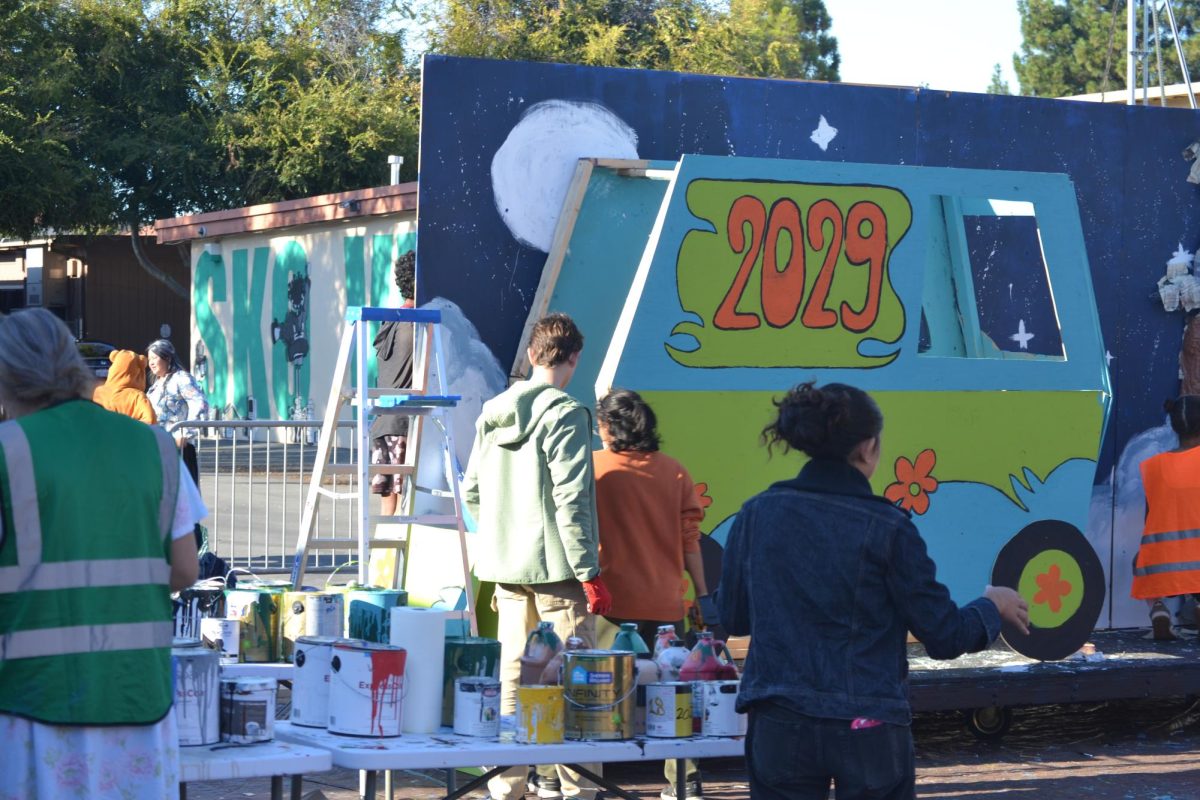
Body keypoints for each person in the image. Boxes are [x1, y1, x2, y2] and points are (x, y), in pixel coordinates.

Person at [717, 381, 1029, 800]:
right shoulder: (890, 527)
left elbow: (732, 617)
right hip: (869, 725)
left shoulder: (755, 515)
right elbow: (943, 634)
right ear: (867, 448)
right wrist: (993, 606)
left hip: (780, 721)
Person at [0, 308, 203, 799]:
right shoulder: (155, 446)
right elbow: (185, 568)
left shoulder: (8, 450)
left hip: (33, 708)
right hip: (138, 702)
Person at [463, 312, 612, 800]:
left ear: (531, 355)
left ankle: (506, 786)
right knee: (575, 677)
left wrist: (500, 538)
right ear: (573, 359)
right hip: (558, 572)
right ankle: (580, 788)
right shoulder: (567, 414)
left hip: (506, 570)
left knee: (512, 674)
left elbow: (472, 492)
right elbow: (572, 500)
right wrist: (588, 571)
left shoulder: (492, 411)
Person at [592, 388, 710, 800]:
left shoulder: (594, 469)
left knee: (594, 695)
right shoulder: (675, 472)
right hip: (665, 604)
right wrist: (704, 594)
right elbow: (690, 539)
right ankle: (685, 779)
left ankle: (575, 779)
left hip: (609, 606)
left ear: (607, 427)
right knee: (672, 694)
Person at [1132, 395, 1200, 639]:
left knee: (1139, 560)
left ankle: (1159, 610)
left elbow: (1150, 518)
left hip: (1161, 564)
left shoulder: (1154, 466)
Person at [371, 251, 416, 516]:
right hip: (402, 423)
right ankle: (393, 557)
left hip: (382, 422)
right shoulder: (416, 323)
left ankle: (381, 557)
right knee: (403, 503)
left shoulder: (391, 321)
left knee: (388, 503)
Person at [146, 337, 209, 489]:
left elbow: (200, 403)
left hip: (179, 447)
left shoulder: (181, 378)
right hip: (159, 447)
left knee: (182, 499)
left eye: (155, 358)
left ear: (167, 357)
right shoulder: (156, 384)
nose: (151, 362)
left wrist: (186, 434)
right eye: (149, 359)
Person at [92, 349, 157, 424]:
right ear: (138, 373)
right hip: (127, 434)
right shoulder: (137, 396)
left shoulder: (98, 392)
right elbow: (151, 421)